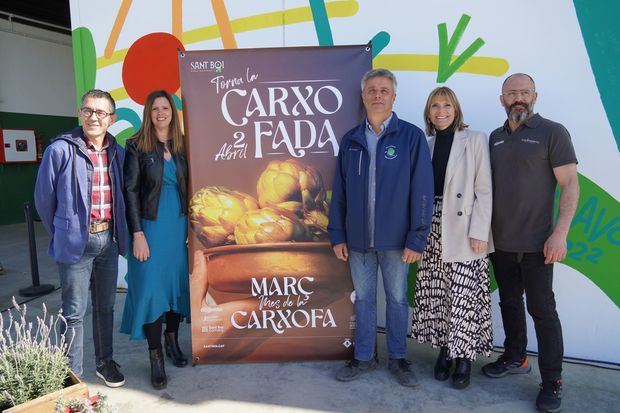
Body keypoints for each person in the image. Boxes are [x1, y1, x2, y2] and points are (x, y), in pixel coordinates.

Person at [328, 68, 433, 387]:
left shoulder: (411, 136)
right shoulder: (351, 139)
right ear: (363, 96)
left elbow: (423, 190)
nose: (377, 95)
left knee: (398, 300)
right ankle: (363, 357)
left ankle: (399, 359)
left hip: (397, 241)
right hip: (358, 241)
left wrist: (417, 237)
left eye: (384, 90)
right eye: (372, 90)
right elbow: (340, 190)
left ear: (394, 96)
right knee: (363, 300)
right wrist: (338, 234)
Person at [483, 73, 579, 413]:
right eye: (512, 93)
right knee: (509, 302)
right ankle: (515, 357)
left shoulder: (553, 132)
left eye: (524, 92)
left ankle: (552, 380)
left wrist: (560, 233)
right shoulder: (493, 138)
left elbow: (569, 185)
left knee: (542, 310)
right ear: (503, 100)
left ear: (535, 96)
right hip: (502, 243)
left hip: (540, 244)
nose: (518, 98)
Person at [34, 89, 128, 387]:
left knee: (106, 307)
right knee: (73, 312)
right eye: (88, 110)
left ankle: (105, 362)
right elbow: (43, 200)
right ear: (80, 112)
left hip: (108, 242)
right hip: (76, 243)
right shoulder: (60, 150)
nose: (93, 117)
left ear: (111, 119)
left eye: (101, 112)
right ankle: (71, 374)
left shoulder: (118, 153)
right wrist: (65, 231)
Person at [410, 87, 493, 389]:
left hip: (464, 228)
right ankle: (445, 349)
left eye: (446, 105)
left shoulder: (475, 140)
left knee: (463, 296)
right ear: (428, 112)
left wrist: (480, 232)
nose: (440, 111)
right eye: (434, 106)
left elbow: (484, 189)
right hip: (431, 224)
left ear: (456, 109)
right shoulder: (426, 143)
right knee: (440, 294)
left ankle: (464, 358)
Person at [120, 90, 190, 389]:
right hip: (149, 228)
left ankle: (172, 340)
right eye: (155, 108)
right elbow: (131, 192)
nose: (161, 113)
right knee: (150, 291)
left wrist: (194, 228)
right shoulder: (136, 146)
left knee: (175, 288)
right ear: (148, 113)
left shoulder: (183, 145)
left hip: (179, 226)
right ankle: (155, 356)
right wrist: (137, 233)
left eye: (166, 107)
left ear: (173, 112)